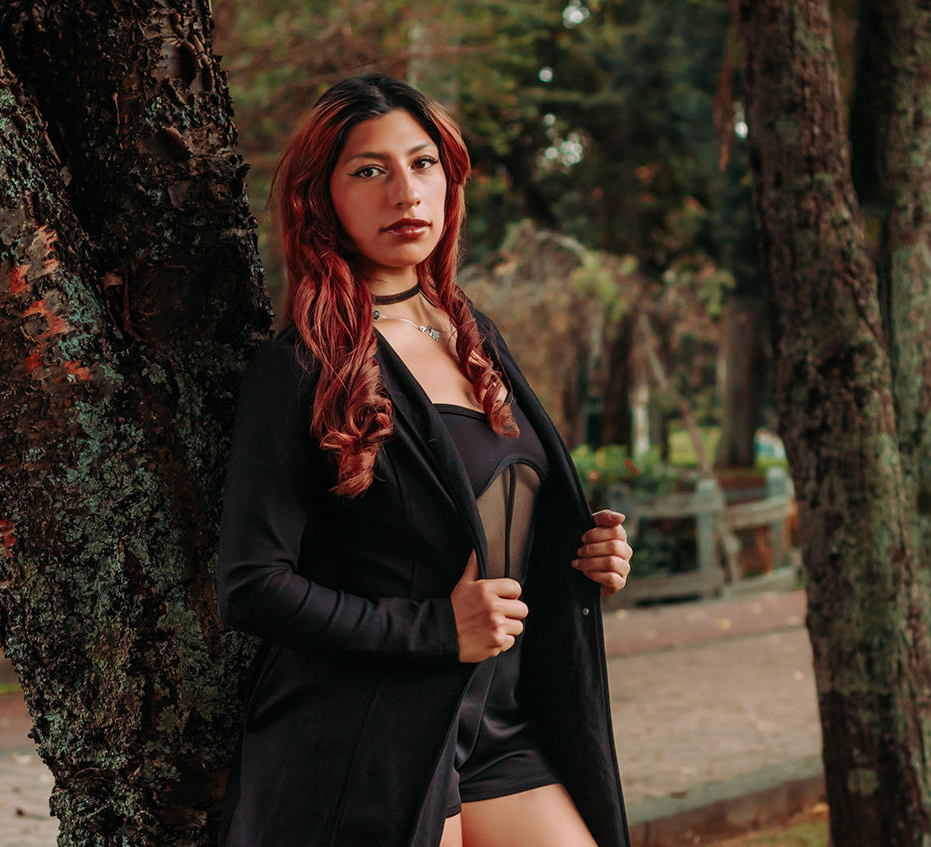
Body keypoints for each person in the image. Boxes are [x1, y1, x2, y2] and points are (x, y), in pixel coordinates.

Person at [217, 74, 633, 847]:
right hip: (373, 732)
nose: (405, 192)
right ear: (321, 198)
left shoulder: (474, 335)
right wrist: (439, 629)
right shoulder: (299, 368)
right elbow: (251, 585)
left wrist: (583, 557)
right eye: (369, 170)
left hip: (499, 721)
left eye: (422, 163)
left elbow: (487, 516)